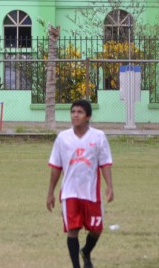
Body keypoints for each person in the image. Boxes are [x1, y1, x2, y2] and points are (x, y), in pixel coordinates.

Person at [47, 99, 114, 268]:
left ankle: (86, 251)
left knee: (96, 230)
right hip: (70, 193)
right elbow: (56, 166)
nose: (75, 115)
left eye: (80, 112)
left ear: (88, 117)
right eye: (73, 112)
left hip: (91, 193)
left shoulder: (98, 137)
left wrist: (109, 187)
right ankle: (76, 265)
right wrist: (50, 193)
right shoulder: (63, 138)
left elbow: (105, 163)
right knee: (73, 230)